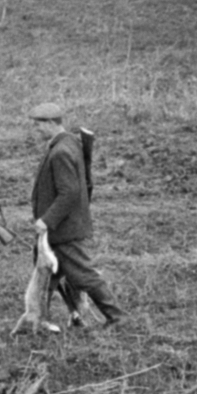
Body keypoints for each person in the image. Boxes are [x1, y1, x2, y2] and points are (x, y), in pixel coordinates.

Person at [28, 102, 123, 326]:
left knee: (82, 275)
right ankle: (48, 319)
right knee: (47, 277)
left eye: (38, 125)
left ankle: (118, 318)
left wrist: (47, 220)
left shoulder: (61, 151)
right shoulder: (69, 143)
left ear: (51, 123)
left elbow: (69, 192)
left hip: (63, 230)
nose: (35, 130)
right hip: (62, 228)